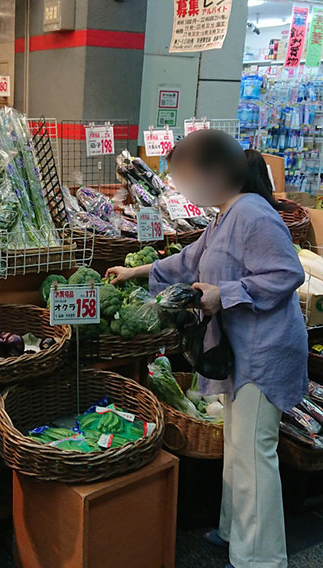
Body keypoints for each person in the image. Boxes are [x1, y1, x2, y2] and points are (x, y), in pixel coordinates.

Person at [107, 131, 308, 568]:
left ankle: (262, 559)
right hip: (241, 350)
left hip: (266, 351)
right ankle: (234, 533)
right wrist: (135, 271)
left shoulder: (253, 214)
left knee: (255, 452)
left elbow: (288, 272)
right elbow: (188, 260)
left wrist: (226, 293)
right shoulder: (223, 216)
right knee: (238, 446)